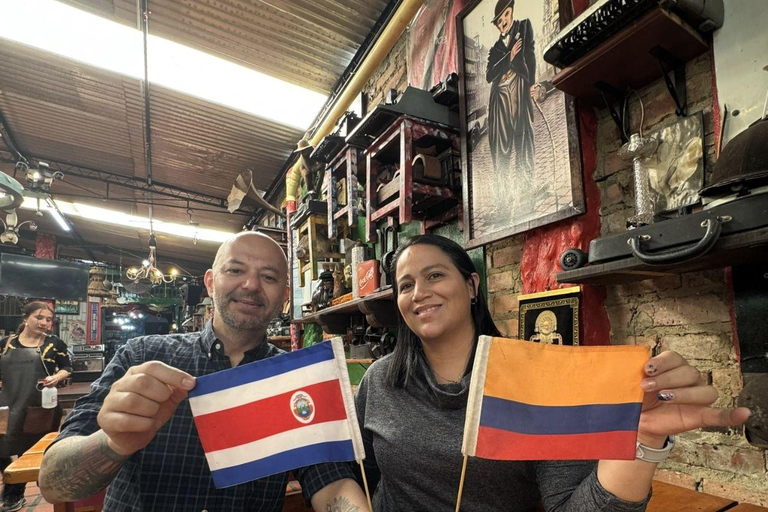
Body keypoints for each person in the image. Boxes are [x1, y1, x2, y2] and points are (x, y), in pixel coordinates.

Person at [355, 234, 751, 511]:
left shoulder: (534, 382)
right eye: (405, 285)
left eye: (435, 275)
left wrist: (644, 438)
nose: (419, 292)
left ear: (472, 285)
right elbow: (360, 474)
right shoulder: (379, 381)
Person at [39, 232, 369, 512]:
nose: (251, 285)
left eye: (269, 277)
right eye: (236, 270)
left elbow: (331, 479)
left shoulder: (293, 381)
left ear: (284, 297)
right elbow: (54, 484)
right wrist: (113, 443)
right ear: (211, 282)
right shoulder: (142, 356)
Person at [0, 301, 71, 512]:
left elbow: (67, 368)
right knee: (3, 447)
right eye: (39, 318)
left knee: (27, 449)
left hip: (38, 405)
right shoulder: (6, 343)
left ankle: (14, 494)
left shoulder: (53, 344)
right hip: (7, 402)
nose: (44, 323)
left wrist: (56, 377)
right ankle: (11, 482)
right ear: (26, 318)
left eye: (48, 320)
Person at [486, 0, 536, 188]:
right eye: (499, 21)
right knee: (501, 145)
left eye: (505, 15)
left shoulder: (523, 27)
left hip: (519, 87)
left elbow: (530, 55)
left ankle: (526, 187)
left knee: (523, 135)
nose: (503, 22)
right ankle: (504, 194)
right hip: (500, 95)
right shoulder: (495, 49)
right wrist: (510, 57)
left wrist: (531, 83)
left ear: (511, 12)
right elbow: (489, 75)